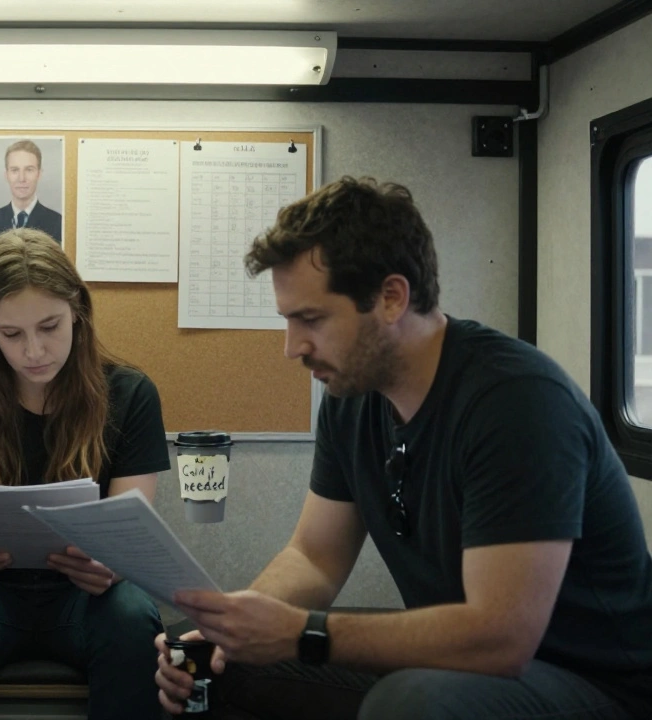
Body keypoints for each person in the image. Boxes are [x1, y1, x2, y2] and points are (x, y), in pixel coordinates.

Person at [155, 176, 652, 720]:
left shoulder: (516, 403)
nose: (292, 347)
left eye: (311, 320)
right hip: (465, 668)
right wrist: (233, 627)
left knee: (411, 704)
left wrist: (303, 632)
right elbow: (314, 559)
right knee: (214, 662)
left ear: (392, 297)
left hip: (596, 686)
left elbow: (500, 639)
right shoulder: (352, 399)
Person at [0, 228, 169, 720]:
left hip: (88, 601)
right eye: (11, 334)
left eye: (50, 326)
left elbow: (132, 539)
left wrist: (113, 563)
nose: (34, 351)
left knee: (134, 617)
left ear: (78, 313)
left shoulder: (131, 394)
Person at [0, 139, 63, 247]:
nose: (22, 178)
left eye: (29, 170)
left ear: (39, 174)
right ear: (6, 175)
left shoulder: (59, 223)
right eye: (15, 170)